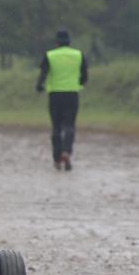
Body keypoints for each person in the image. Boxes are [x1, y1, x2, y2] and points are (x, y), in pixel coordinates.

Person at [36, 28, 87, 171]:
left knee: (56, 127)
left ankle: (57, 159)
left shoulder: (50, 55)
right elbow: (85, 76)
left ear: (56, 42)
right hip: (72, 94)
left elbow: (43, 73)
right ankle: (67, 151)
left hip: (55, 95)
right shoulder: (79, 55)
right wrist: (80, 83)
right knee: (69, 125)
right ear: (69, 42)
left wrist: (39, 86)